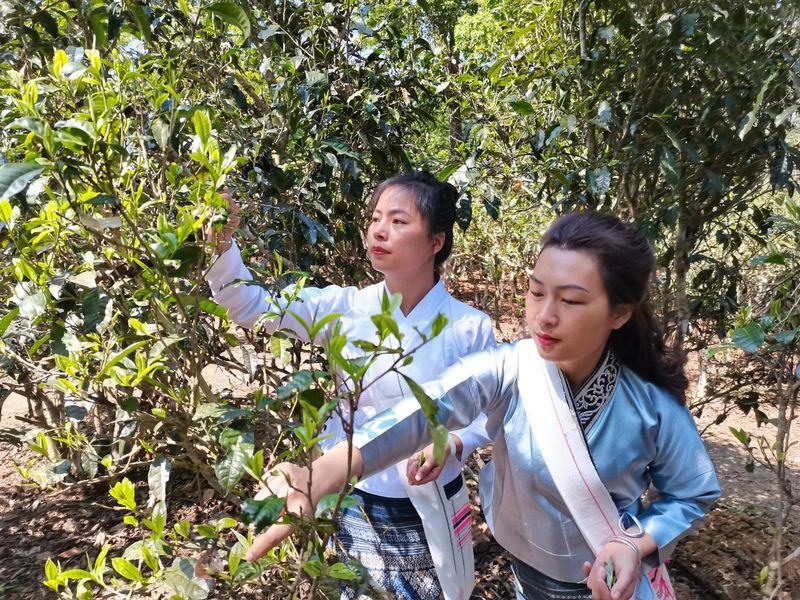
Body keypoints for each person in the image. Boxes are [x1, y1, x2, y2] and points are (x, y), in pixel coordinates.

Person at [246, 211, 722, 600]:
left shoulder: (652, 408)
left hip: (603, 583)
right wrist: (328, 469)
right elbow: (429, 408)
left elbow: (692, 492)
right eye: (537, 293)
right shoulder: (512, 367)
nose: (545, 316)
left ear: (619, 312)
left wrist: (632, 543)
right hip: (524, 567)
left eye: (571, 301)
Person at [205, 172, 496, 599]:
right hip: (355, 497)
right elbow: (253, 306)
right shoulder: (346, 308)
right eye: (376, 218)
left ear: (436, 241)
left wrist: (449, 444)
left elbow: (484, 417)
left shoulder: (470, 327)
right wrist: (222, 247)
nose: (379, 230)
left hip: (430, 501)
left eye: (398, 221)